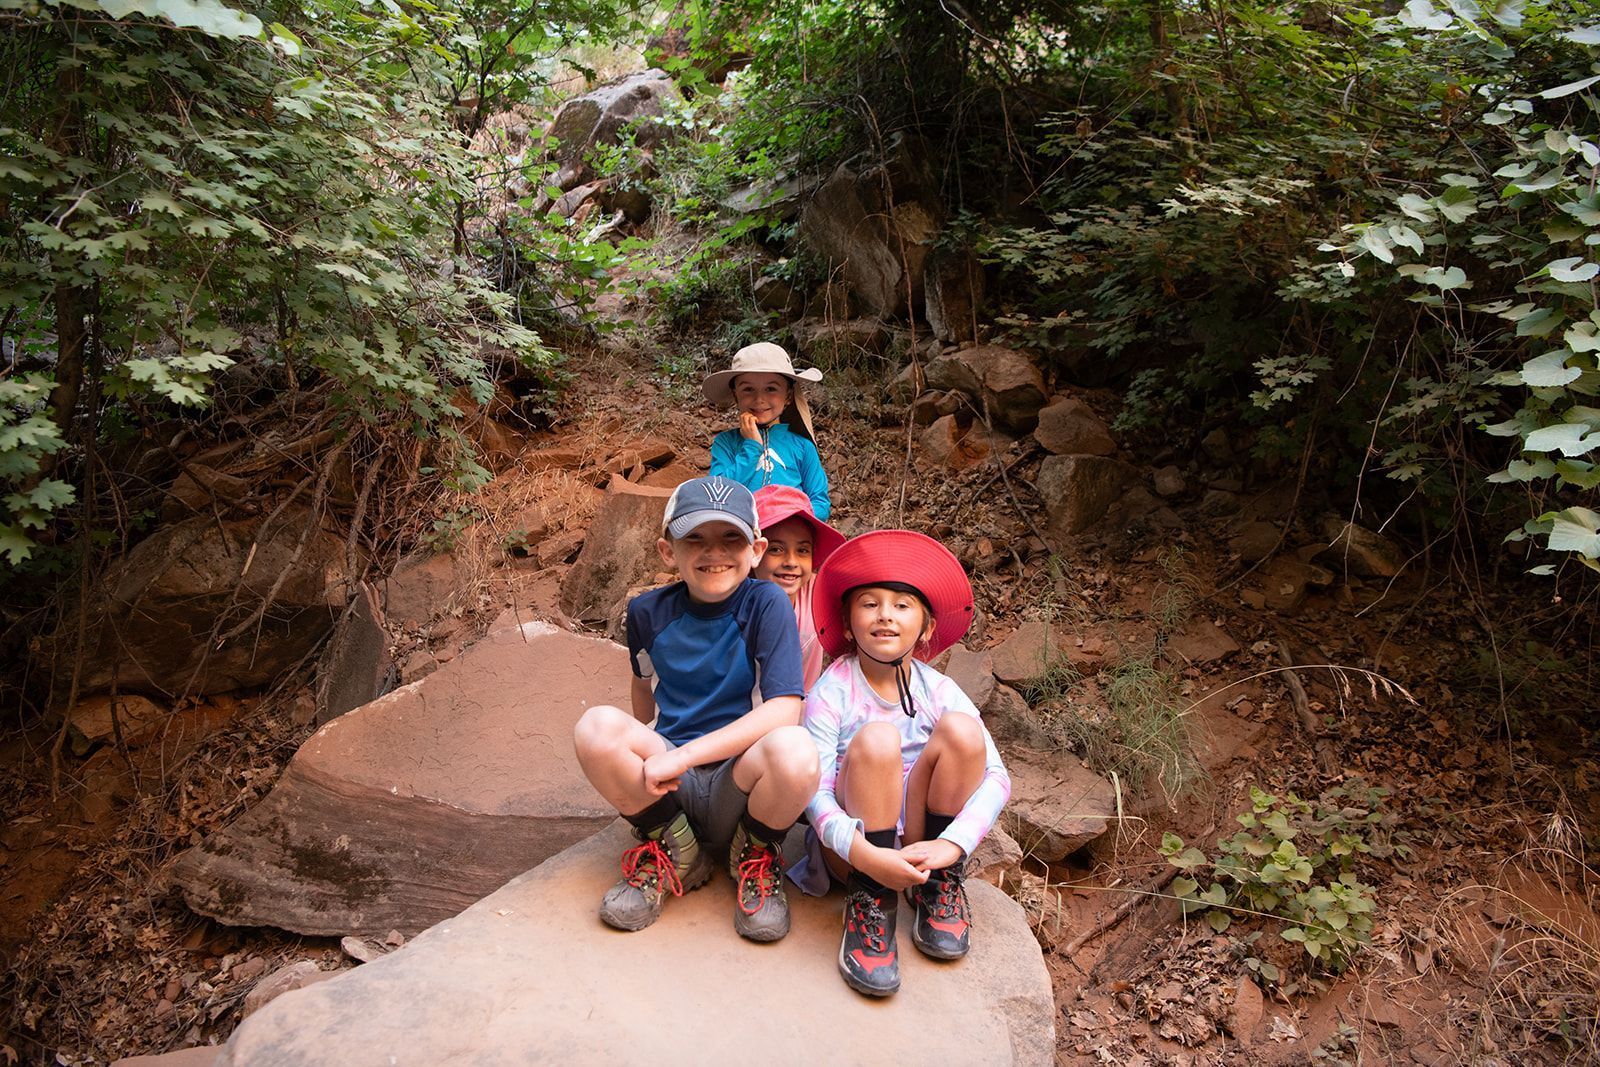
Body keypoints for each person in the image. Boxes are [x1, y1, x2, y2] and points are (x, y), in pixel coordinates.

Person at [571, 476, 820, 942]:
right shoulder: (647, 613)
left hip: (738, 785)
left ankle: (755, 854)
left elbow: (786, 709)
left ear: (755, 550)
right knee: (595, 727)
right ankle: (675, 848)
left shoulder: (766, 604)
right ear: (669, 551)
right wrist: (645, 754)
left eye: (731, 538)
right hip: (672, 786)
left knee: (797, 749)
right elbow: (643, 683)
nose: (715, 553)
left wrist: (680, 756)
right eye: (695, 539)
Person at [793, 530, 1010, 997]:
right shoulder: (833, 691)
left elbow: (997, 775)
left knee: (963, 731)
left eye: (902, 605)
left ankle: (937, 885)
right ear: (848, 624)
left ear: (928, 627)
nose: (885, 615)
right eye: (869, 604)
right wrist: (866, 855)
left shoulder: (939, 690)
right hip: (853, 851)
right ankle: (870, 900)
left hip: (920, 844)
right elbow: (812, 790)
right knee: (877, 739)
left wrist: (952, 845)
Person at [704, 342, 832, 520]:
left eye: (771, 389)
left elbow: (820, 502)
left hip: (789, 536)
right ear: (735, 395)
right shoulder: (726, 443)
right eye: (748, 389)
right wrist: (752, 446)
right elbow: (717, 494)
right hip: (743, 535)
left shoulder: (802, 446)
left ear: (787, 396)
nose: (759, 399)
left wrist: (793, 523)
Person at [752, 484, 845, 692]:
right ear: (754, 551)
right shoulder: (735, 598)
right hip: (742, 715)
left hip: (801, 710)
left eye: (803, 550)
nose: (791, 562)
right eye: (776, 549)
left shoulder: (817, 591)